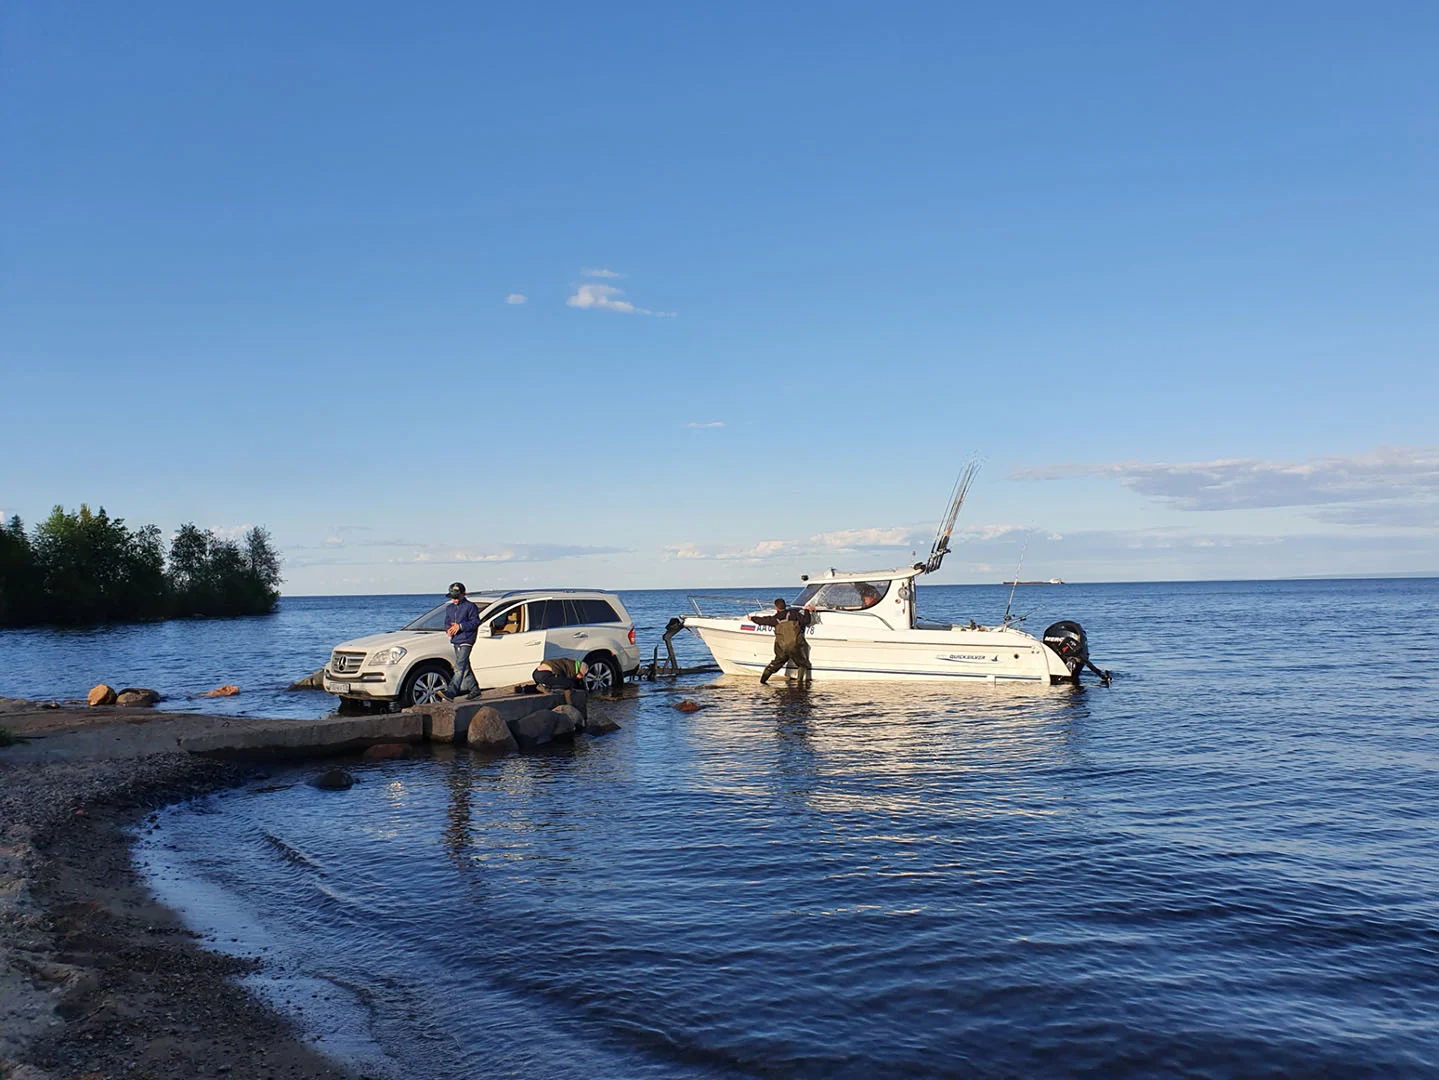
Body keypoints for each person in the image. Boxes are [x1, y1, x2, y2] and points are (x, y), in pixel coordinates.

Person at [752, 598, 812, 685]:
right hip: (795, 645)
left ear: (776, 607)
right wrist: (807, 610)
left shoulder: (775, 619)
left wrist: (752, 618)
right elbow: (806, 621)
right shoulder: (793, 614)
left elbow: (762, 621)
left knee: (775, 664)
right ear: (785, 605)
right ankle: (800, 685)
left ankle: (763, 682)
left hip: (782, 648)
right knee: (802, 664)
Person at [439, 582, 481, 700]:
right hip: (456, 640)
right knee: (465, 666)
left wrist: (461, 626)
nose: (455, 600)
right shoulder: (449, 608)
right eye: (453, 597)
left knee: (459, 666)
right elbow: (447, 622)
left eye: (457, 597)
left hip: (467, 639)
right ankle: (475, 689)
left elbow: (476, 622)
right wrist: (448, 629)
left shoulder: (470, 606)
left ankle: (452, 691)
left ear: (464, 594)